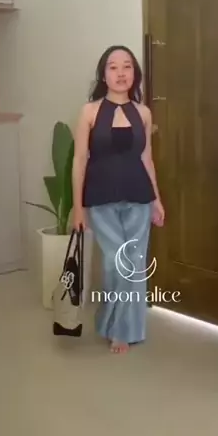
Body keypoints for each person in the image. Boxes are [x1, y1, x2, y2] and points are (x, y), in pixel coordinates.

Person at [72, 45, 165, 354]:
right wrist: (77, 208)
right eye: (113, 67)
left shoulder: (143, 112)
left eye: (127, 66)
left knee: (134, 265)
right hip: (101, 199)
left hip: (139, 196)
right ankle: (108, 321)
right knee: (115, 262)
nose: (121, 73)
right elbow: (80, 160)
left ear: (134, 73)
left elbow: (147, 159)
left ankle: (124, 331)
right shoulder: (89, 111)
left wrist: (157, 200)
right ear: (104, 74)